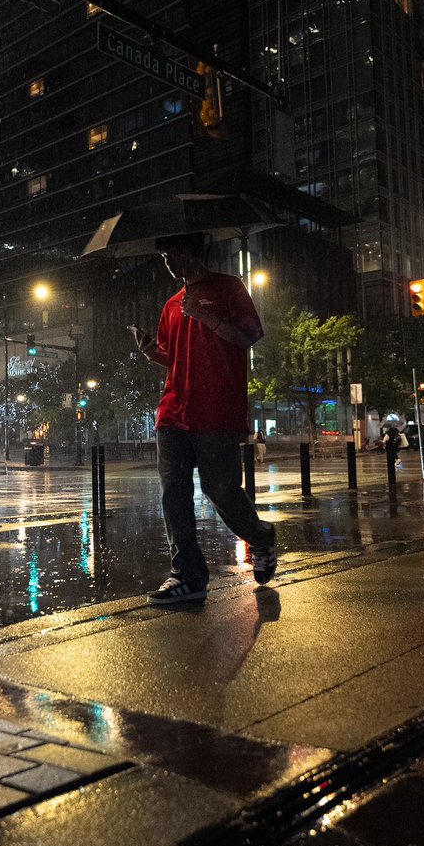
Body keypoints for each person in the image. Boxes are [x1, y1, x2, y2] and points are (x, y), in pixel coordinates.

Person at [131, 231, 277, 604]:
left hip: (215, 411)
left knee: (220, 489)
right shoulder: (171, 305)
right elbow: (172, 356)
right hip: (173, 410)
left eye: (172, 251)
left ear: (195, 251)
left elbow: (248, 336)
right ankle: (188, 575)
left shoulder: (228, 288)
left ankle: (261, 537)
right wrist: (153, 353)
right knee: (173, 494)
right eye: (163, 255)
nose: (167, 260)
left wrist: (207, 315)